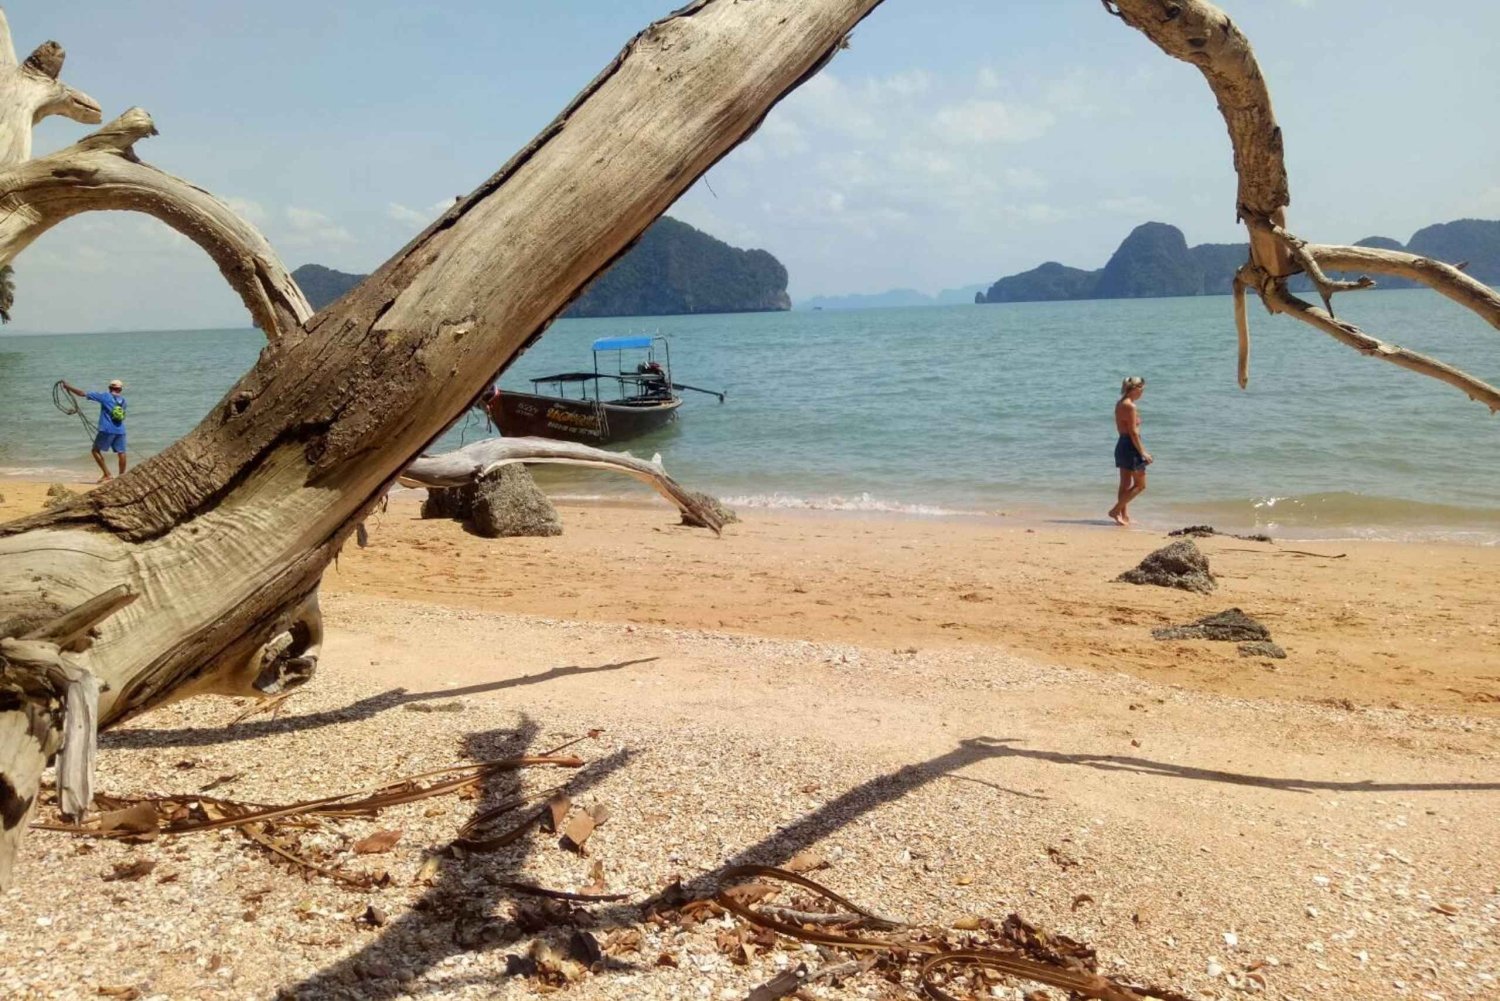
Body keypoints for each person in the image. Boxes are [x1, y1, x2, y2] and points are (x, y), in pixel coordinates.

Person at [60, 378, 128, 482]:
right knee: (121, 452)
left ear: (110, 388)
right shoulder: (123, 401)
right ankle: (122, 476)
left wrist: (68, 387)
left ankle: (107, 474)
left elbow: (82, 394)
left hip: (106, 429)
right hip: (120, 430)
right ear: (120, 389)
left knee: (95, 450)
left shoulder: (105, 396)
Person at [1108, 376, 1152, 526]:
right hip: (1130, 445)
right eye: (1142, 389)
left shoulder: (1121, 403)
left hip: (1122, 444)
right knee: (1140, 485)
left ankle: (1123, 516)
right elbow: (1133, 432)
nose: (1143, 392)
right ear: (1134, 389)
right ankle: (1115, 511)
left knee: (1125, 484)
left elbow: (1124, 429)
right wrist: (1143, 452)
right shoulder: (1130, 407)